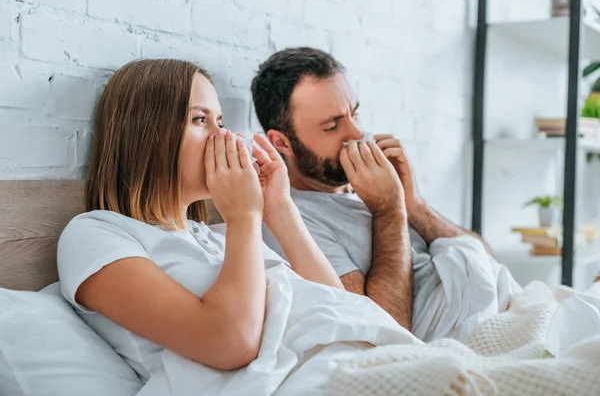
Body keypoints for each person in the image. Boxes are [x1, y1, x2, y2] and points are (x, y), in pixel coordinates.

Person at [57, 58, 343, 381]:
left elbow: (342, 308)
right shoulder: (95, 235)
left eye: (220, 122)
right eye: (199, 119)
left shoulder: (219, 236)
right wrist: (244, 217)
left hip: (344, 363)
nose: (223, 137)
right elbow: (231, 342)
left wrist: (280, 210)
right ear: (146, 134)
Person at [251, 47, 491, 330]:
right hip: (456, 333)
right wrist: (388, 209)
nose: (355, 134)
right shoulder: (294, 220)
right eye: (331, 126)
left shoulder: (373, 188)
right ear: (282, 143)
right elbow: (382, 329)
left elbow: (485, 258)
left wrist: (413, 204)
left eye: (354, 114)